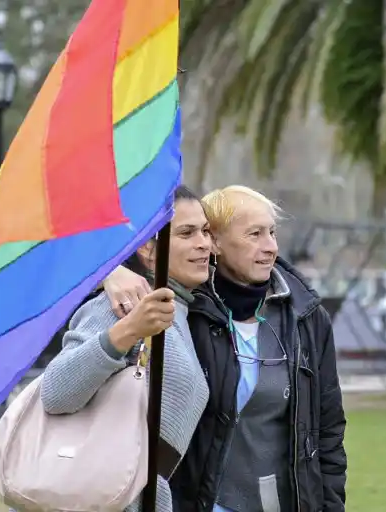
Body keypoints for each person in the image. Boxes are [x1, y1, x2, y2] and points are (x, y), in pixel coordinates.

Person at [103, 185, 348, 512]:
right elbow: (117, 270)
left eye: (272, 232)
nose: (271, 247)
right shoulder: (183, 308)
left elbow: (328, 431)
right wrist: (109, 273)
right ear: (214, 241)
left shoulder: (306, 317)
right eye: (255, 234)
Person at [39, 185, 213, 512]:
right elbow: (55, 392)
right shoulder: (121, 303)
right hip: (92, 499)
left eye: (205, 231)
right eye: (187, 233)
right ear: (148, 248)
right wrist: (129, 329)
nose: (204, 243)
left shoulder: (181, 311)